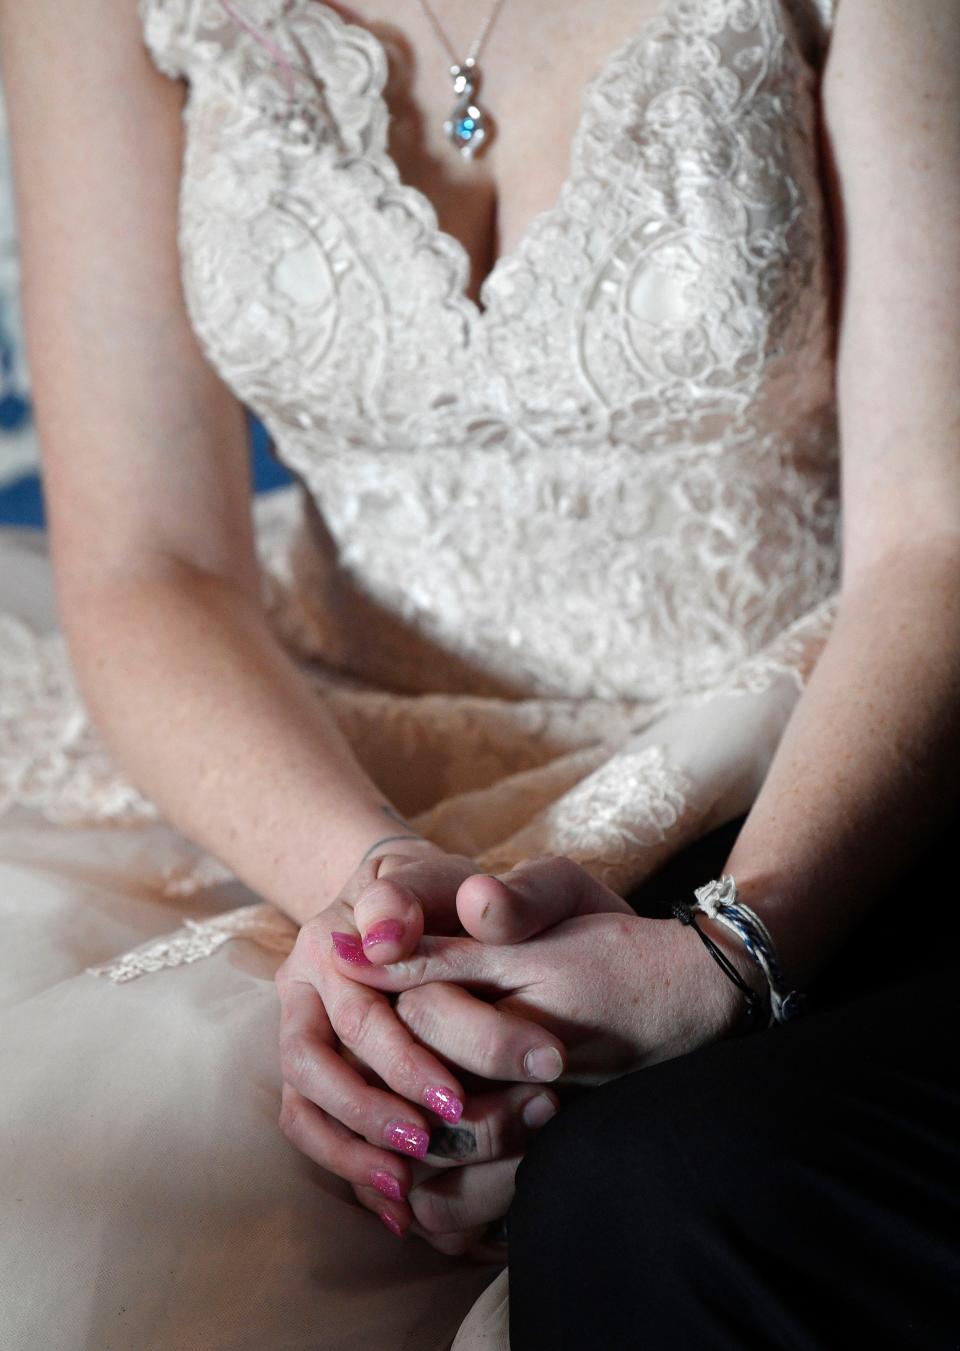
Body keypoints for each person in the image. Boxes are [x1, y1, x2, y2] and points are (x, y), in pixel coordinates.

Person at [0, 0, 957, 1347]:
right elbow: (154, 566)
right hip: (302, 766)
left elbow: (939, 540)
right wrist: (373, 912)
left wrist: (731, 953)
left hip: (791, 742)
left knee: (661, 1201)